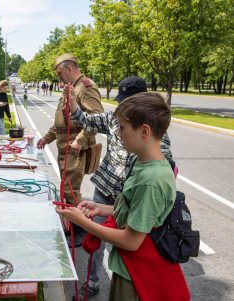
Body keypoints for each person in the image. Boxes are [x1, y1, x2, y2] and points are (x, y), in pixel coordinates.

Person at [57, 92, 190, 301]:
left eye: (122, 128)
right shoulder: (143, 163)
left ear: (144, 131)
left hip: (135, 276)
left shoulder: (151, 180)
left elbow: (131, 241)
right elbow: (136, 210)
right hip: (129, 268)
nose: (118, 134)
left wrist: (82, 222)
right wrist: (102, 209)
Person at [37, 53, 104, 204]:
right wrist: (46, 138)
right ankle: (71, 222)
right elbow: (62, 121)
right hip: (65, 147)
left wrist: (80, 140)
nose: (58, 77)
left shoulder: (86, 87)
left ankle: (79, 226)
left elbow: (97, 118)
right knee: (66, 189)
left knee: (70, 193)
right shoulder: (73, 87)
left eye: (60, 73)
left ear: (68, 68)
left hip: (75, 148)